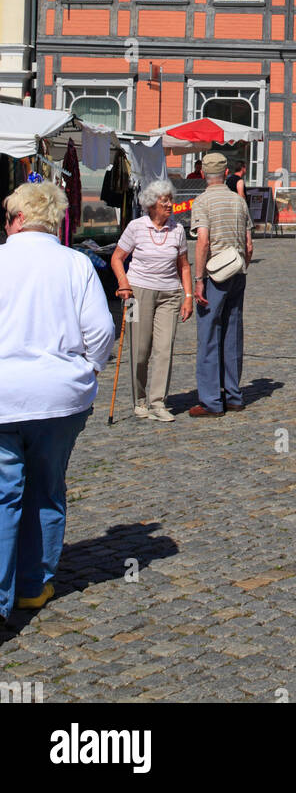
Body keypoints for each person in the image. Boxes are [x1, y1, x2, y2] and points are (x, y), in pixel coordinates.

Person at [0, 180, 114, 619]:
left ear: (17, 219)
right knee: (46, 487)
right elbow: (101, 331)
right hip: (57, 396)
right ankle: (32, 585)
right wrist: (91, 368)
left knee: (4, 492)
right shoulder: (75, 263)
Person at [110, 179, 193, 422]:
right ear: (151, 205)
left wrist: (187, 297)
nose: (170, 205)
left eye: (170, 200)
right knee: (140, 348)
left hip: (169, 294)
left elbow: (184, 266)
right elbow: (117, 258)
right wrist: (123, 283)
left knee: (165, 349)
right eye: (164, 201)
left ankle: (158, 402)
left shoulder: (177, 230)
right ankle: (139, 399)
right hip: (138, 292)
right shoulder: (136, 227)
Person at [190, 153, 253, 417]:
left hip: (215, 273)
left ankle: (211, 401)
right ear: (227, 173)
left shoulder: (202, 202)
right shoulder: (238, 202)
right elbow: (249, 245)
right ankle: (234, 395)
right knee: (232, 333)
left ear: (204, 174)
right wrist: (243, 265)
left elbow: (203, 241)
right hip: (238, 271)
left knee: (208, 335)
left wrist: (198, 279)